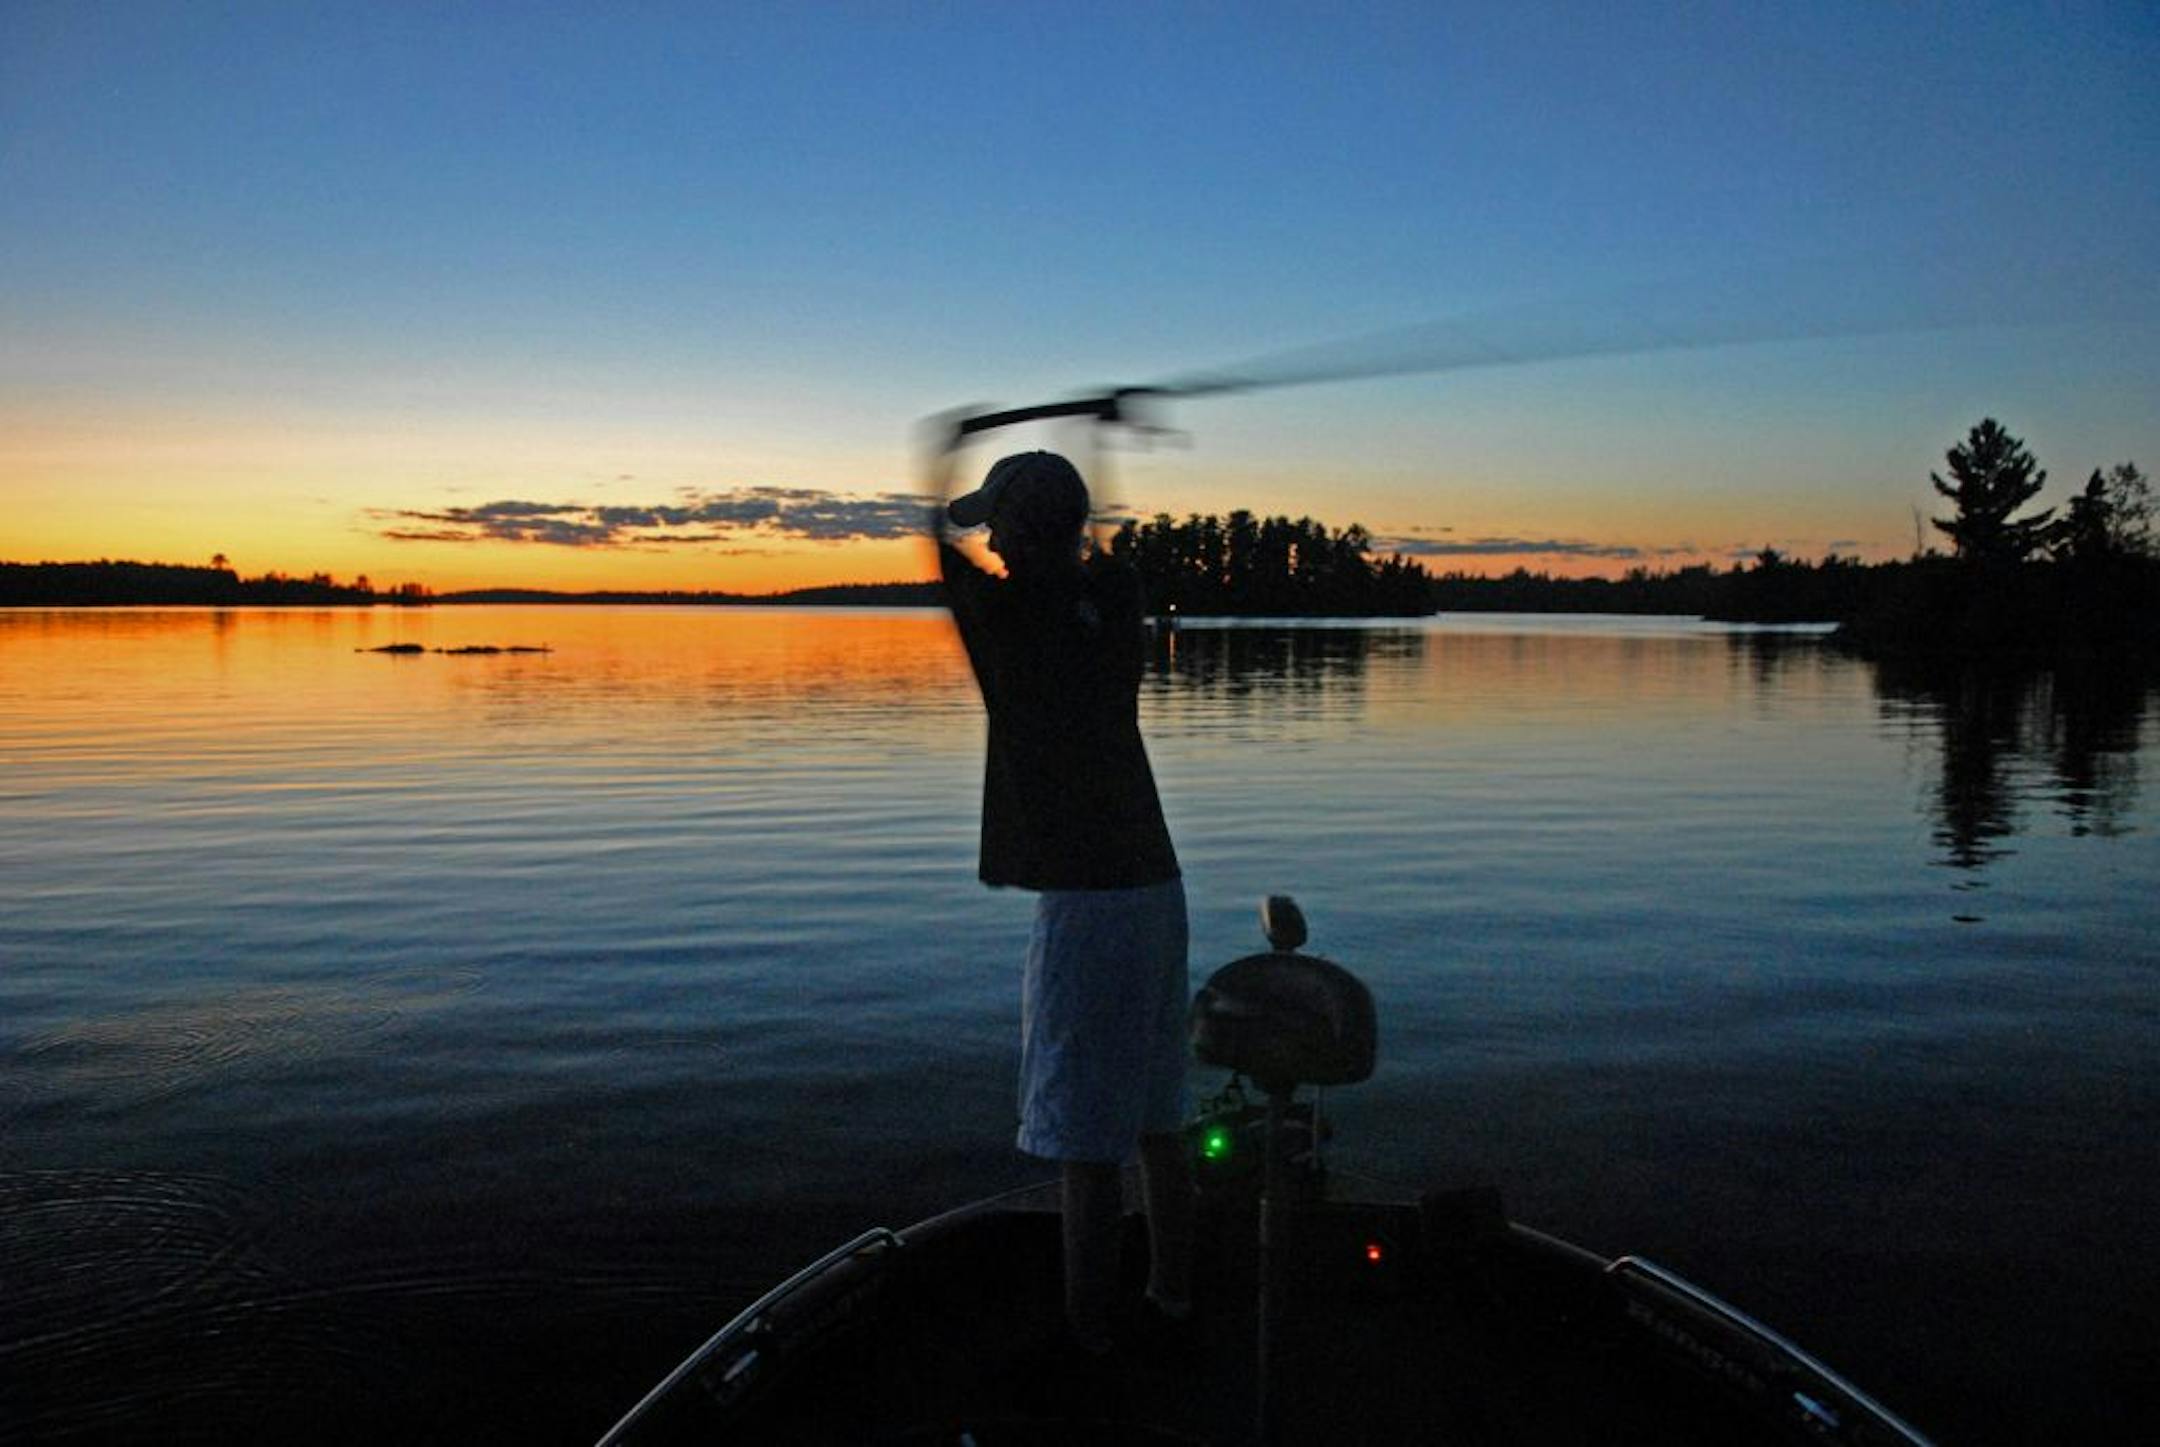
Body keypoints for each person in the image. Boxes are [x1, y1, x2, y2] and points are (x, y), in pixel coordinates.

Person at [930, 445, 1195, 1353]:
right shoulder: (1114, 604)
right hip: (1158, 889)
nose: (990, 541)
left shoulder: (1008, 617)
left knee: (1087, 1145)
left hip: (1089, 903)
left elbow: (943, 549)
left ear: (1025, 528)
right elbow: (1101, 556)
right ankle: (1174, 1295)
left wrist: (942, 450)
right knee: (1160, 1119)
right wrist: (1088, 469)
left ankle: (1091, 1341)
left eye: (999, 522)